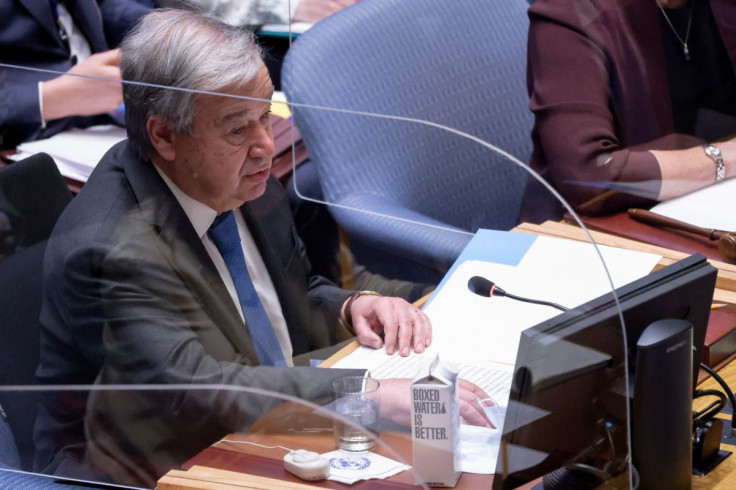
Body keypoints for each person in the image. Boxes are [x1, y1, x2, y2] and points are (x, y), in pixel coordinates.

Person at [33, 9, 491, 487]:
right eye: (237, 128)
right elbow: (196, 392)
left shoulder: (240, 176)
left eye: (265, 116)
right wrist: (370, 394)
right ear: (164, 135)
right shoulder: (111, 250)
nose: (265, 145)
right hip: (156, 465)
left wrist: (353, 306)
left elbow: (285, 299)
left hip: (265, 428)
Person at [520, 0, 736, 224]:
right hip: (597, 231)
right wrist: (723, 159)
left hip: (708, 203)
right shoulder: (571, 12)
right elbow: (591, 175)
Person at [0, 0, 151, 150]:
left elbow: (99, 6)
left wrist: (157, 25)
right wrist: (52, 98)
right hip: (32, 145)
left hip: (111, 127)